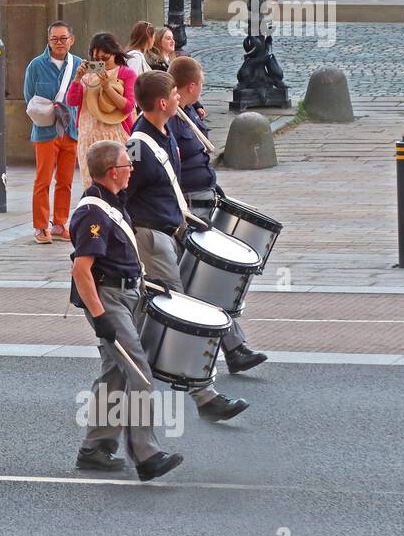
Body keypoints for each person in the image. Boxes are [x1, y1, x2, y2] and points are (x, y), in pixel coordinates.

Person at [124, 71, 249, 422]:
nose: (180, 99)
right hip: (151, 237)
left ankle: (125, 363)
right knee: (181, 310)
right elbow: (122, 195)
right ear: (162, 103)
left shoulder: (166, 133)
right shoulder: (137, 144)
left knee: (145, 316)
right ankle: (204, 395)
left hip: (168, 232)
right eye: (175, 96)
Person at [69, 140, 182, 481]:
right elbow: (81, 270)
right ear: (111, 172)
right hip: (110, 299)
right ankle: (145, 454)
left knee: (114, 374)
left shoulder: (112, 203)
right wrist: (100, 316)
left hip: (126, 294)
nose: (131, 170)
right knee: (140, 374)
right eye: (126, 165)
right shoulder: (93, 213)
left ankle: (94, 448)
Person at [170, 57, 269, 375]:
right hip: (187, 209)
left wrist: (215, 189)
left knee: (205, 282)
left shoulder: (186, 115)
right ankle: (226, 349)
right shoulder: (171, 118)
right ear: (192, 86)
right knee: (201, 283)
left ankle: (232, 348)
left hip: (202, 201)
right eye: (200, 83)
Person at [24, 21, 82, 244]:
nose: (59, 43)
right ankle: (40, 226)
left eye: (63, 38)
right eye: (54, 39)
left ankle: (60, 223)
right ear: (48, 41)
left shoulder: (78, 64)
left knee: (66, 180)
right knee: (43, 179)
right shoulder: (36, 65)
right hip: (45, 130)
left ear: (71, 40)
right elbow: (29, 97)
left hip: (70, 129)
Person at [66, 32, 136, 178]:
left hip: (118, 134)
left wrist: (107, 87)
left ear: (115, 53)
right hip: (88, 136)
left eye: (105, 58)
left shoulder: (127, 73)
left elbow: (128, 107)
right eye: (96, 59)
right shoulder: (87, 75)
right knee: (91, 182)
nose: (101, 63)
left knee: (122, 181)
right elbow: (72, 101)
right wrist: (77, 79)